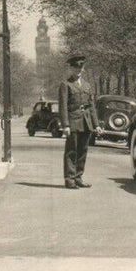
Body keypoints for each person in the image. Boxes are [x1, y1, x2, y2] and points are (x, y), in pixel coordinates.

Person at [57, 54, 97, 189]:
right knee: (71, 151)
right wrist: (65, 125)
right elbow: (63, 106)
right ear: (71, 69)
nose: (78, 70)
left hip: (86, 122)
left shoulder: (87, 85)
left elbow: (91, 106)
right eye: (76, 68)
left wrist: (96, 124)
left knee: (83, 150)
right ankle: (69, 179)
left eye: (81, 68)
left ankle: (78, 177)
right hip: (73, 121)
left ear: (83, 69)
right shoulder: (66, 84)